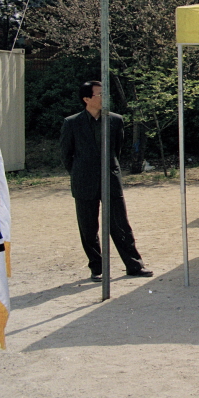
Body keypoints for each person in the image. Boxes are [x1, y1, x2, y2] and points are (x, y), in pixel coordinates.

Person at [60, 81, 152, 281]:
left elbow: (116, 149)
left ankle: (134, 265)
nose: (104, 98)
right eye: (100, 94)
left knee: (120, 223)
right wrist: (81, 172)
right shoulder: (72, 123)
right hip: (84, 181)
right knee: (88, 227)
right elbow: (67, 155)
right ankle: (97, 268)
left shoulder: (115, 120)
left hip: (110, 178)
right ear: (87, 99)